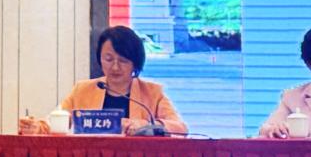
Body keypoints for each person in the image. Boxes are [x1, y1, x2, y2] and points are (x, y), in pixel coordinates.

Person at [18, 25, 187, 136]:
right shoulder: (83, 90)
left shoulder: (152, 92)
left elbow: (180, 129)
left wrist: (146, 126)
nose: (115, 67)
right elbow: (55, 121)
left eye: (123, 61)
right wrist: (35, 127)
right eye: (108, 59)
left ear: (135, 62)